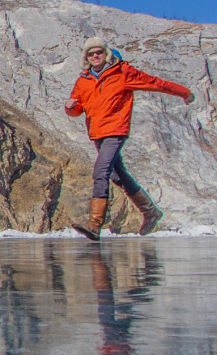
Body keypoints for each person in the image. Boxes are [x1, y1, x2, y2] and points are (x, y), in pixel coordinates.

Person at [63, 36, 194, 239]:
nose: (95, 55)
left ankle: (94, 224)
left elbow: (155, 83)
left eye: (99, 52)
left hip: (115, 130)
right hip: (97, 132)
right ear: (86, 57)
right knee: (116, 175)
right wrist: (70, 107)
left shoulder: (122, 73)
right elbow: (77, 109)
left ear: (106, 54)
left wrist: (184, 93)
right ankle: (150, 211)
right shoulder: (83, 80)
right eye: (91, 53)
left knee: (100, 172)